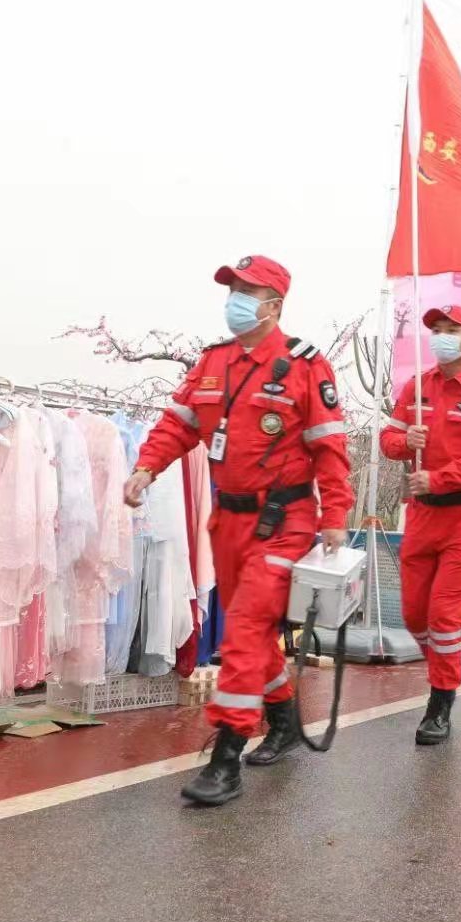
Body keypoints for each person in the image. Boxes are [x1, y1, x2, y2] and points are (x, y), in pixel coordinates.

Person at [126, 255, 353, 807]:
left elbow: (330, 449)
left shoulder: (305, 366)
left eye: (248, 291)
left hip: (285, 521)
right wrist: (146, 467)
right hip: (227, 521)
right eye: (232, 289)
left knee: (246, 629)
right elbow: (176, 424)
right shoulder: (212, 362)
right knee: (254, 636)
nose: (236, 300)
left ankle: (226, 755)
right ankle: (282, 721)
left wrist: (335, 519)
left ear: (275, 305)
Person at [378, 305, 461, 744]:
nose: (442, 336)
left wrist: (439, 477)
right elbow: (387, 439)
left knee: (443, 614)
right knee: (414, 615)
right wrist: (403, 442)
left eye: (452, 330)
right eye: (437, 330)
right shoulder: (416, 386)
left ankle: (440, 702)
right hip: (423, 516)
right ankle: (448, 661)